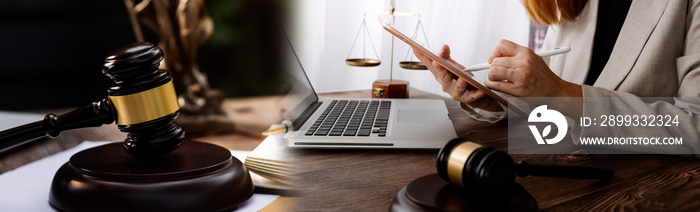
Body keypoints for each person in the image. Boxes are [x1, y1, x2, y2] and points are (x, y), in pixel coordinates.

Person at [414, 0, 700, 154]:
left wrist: (560, 93)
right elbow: (546, 100)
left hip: (643, 187)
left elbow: (695, 126)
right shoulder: (576, 4)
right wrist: (488, 97)